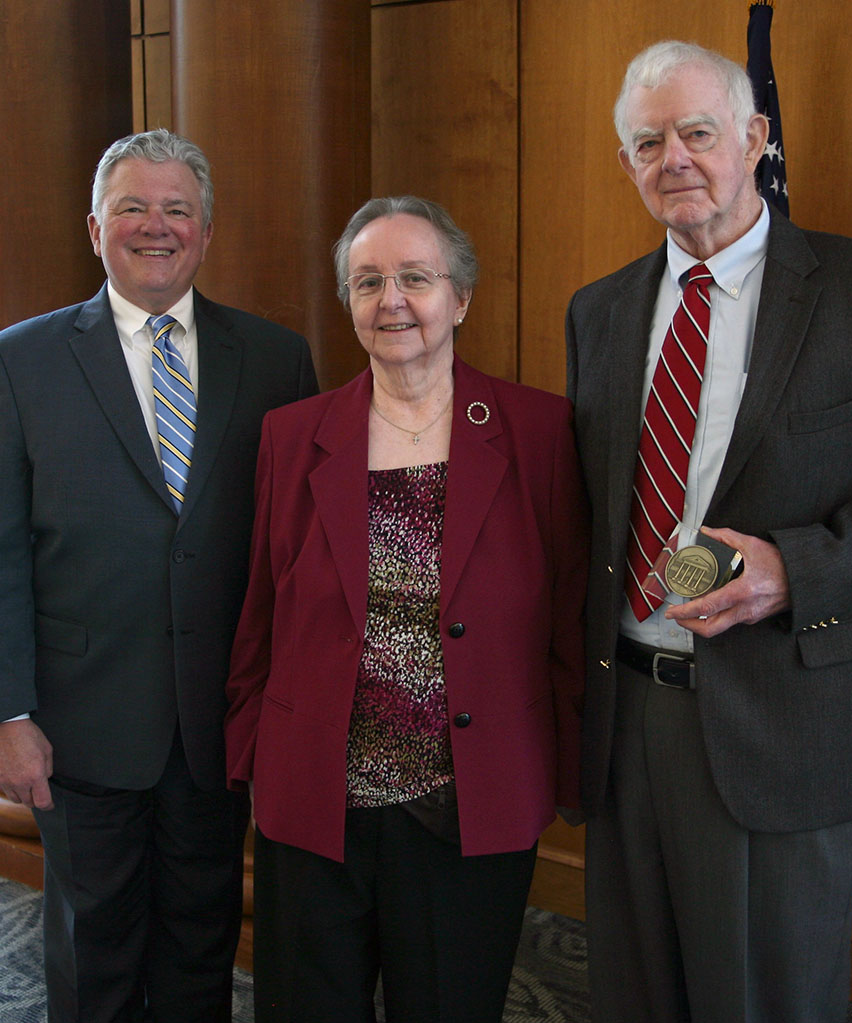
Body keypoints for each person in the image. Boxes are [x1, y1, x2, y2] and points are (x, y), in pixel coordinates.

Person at [566, 41, 852, 1023]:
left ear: (753, 138)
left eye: (698, 132)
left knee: (772, 1004)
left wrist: (799, 569)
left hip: (786, 713)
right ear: (627, 165)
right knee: (637, 993)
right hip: (629, 719)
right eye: (647, 141)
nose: (676, 159)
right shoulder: (601, 311)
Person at [0, 128, 318, 1022]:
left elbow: (296, 552)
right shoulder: (22, 359)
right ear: (94, 228)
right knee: (96, 948)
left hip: (216, 725)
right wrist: (4, 714)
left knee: (201, 943)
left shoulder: (275, 360)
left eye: (177, 210)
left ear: (206, 230)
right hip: (79, 724)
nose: (156, 226)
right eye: (133, 208)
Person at [224, 195, 589, 1022]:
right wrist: (250, 750)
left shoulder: (537, 430)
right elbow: (260, 611)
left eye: (415, 278)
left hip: (469, 799)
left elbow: (568, 614)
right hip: (317, 796)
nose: (391, 299)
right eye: (368, 281)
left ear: (460, 296)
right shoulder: (293, 433)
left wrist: (567, 764)